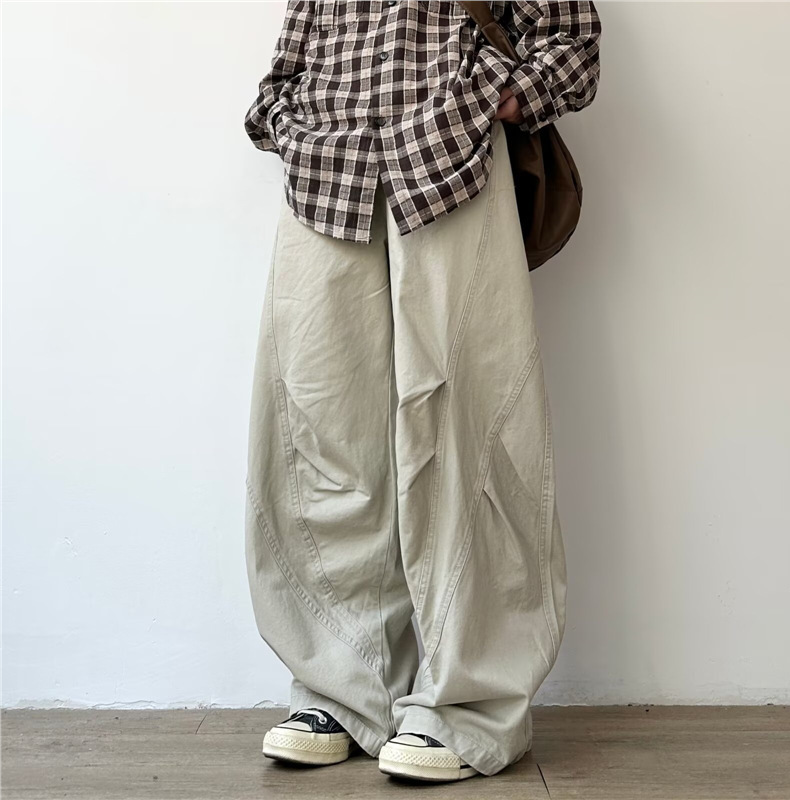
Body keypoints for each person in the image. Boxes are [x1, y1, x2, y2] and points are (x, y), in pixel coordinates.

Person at [243, 0, 600, 783]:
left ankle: (469, 702)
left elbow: (571, 45)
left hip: (450, 162)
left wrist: (489, 99)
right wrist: (287, 120)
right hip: (326, 174)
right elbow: (292, 53)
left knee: (470, 428)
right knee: (322, 432)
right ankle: (342, 687)